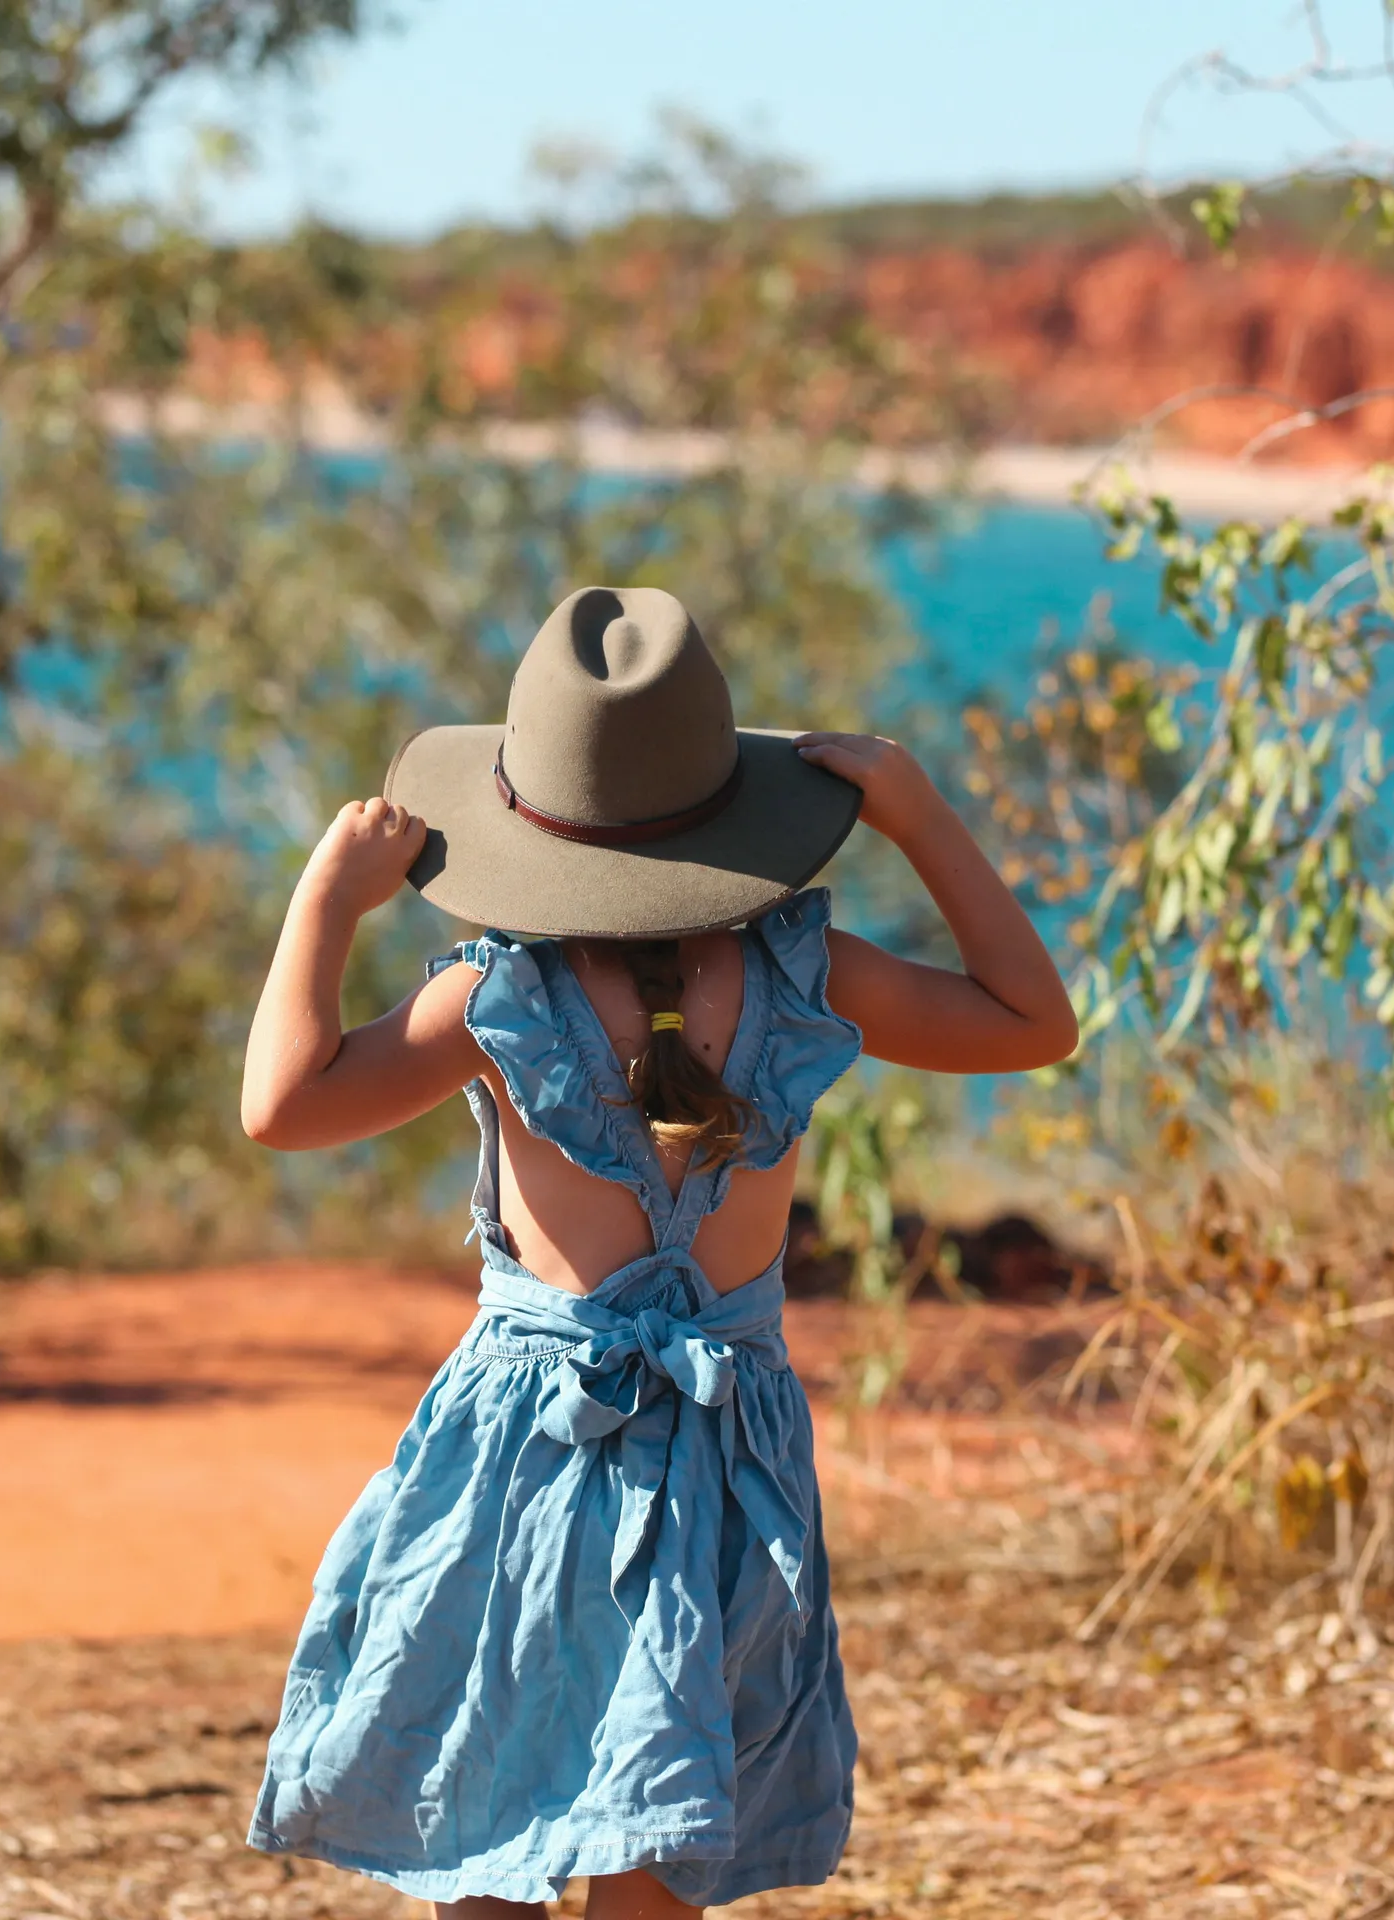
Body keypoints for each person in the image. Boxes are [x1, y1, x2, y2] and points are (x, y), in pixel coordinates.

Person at [239, 586, 1077, 1918]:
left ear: (531, 826)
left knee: (486, 1824)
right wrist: (918, 818)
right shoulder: (806, 978)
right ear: (728, 821)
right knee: (655, 1852)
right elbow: (1034, 1022)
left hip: (527, 1454)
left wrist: (327, 902)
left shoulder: (501, 997)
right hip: (723, 1456)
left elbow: (281, 1107)